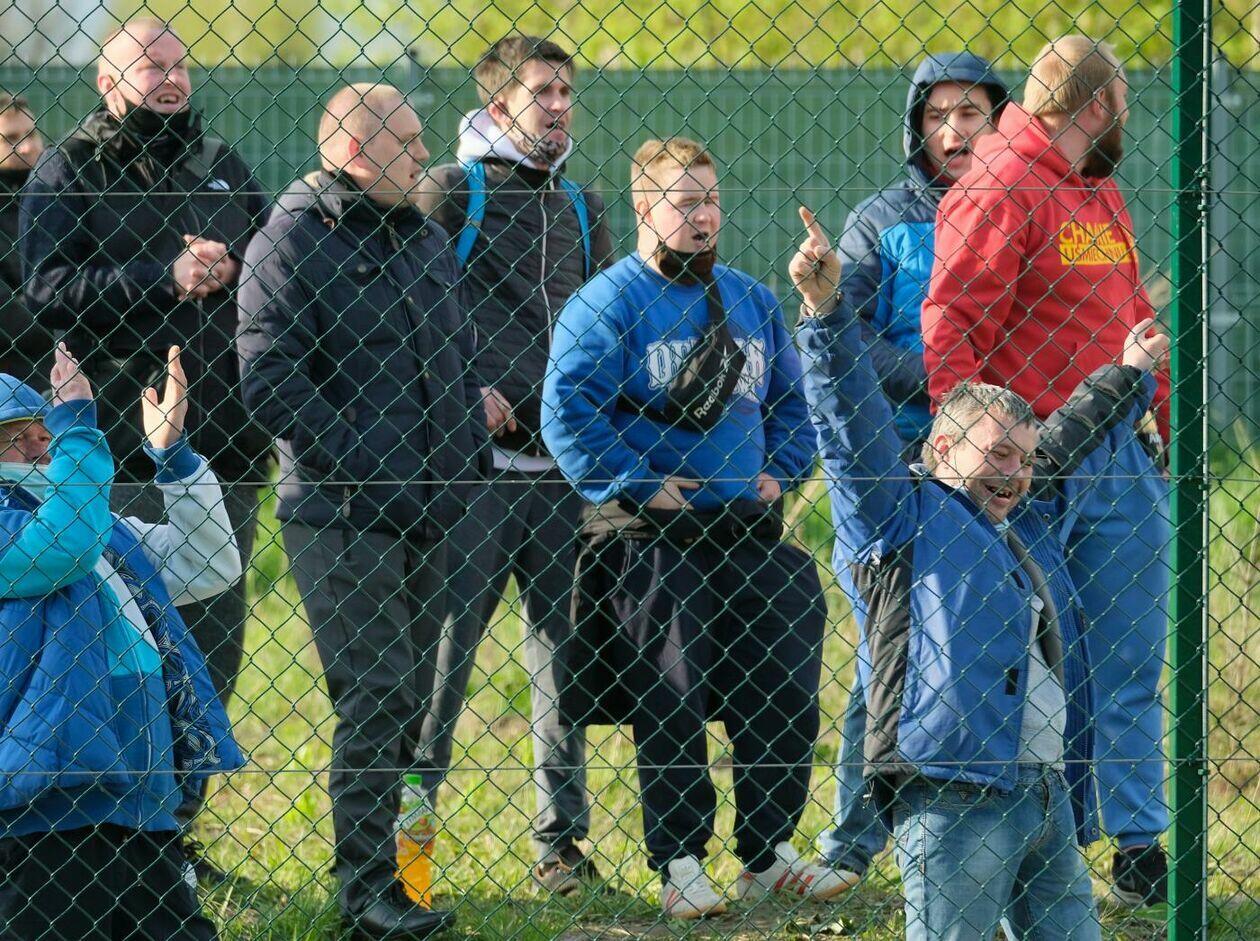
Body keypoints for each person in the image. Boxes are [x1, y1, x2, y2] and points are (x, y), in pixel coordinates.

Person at [792, 206, 1171, 939]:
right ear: (941, 448)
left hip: (1044, 790)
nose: (1016, 473)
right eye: (997, 454)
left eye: (1022, 459)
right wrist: (827, 311)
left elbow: (1070, 432)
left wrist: (1128, 372)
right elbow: (848, 424)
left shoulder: (1022, 515)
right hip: (953, 794)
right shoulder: (897, 518)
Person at [542, 137, 847, 919]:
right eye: (685, 202)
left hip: (746, 531)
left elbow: (794, 402)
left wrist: (782, 468)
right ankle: (680, 862)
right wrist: (641, 482)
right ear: (644, 207)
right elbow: (566, 412)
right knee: (672, 695)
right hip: (652, 540)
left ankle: (768, 854)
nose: (704, 216)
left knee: (784, 677)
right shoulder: (607, 303)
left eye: (711, 200)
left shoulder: (750, 299)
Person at [19, 17, 271, 878]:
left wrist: (230, 269)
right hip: (121, 452)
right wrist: (161, 277)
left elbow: (270, 264)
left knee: (214, 644)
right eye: (149, 66)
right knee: (127, 652)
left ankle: (178, 835)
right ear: (106, 82)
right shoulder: (69, 170)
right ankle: (116, 838)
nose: (170, 79)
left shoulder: (219, 163)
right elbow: (46, 290)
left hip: (221, 444)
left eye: (178, 65)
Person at [921, 35, 1171, 903]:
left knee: (1130, 654)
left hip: (1120, 450)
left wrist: (1162, 415)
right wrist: (970, 453)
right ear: (1098, 105)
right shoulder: (1001, 184)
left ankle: (1138, 844)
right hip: (1032, 462)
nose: (1126, 122)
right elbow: (953, 322)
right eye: (1124, 106)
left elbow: (1134, 314)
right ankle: (1025, 845)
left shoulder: (1097, 188)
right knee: (1023, 662)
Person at [237, 83, 488, 939]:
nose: (424, 156)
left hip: (431, 509)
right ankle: (364, 896)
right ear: (352, 150)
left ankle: (394, 883)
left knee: (408, 698)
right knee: (376, 694)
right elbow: (269, 379)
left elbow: (456, 359)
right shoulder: (289, 240)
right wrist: (371, 465)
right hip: (342, 512)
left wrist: (464, 461)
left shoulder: (421, 237)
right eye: (407, 143)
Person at [413, 34, 615, 895]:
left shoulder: (582, 205)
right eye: (543, 92)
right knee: (442, 666)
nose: (560, 106)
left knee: (563, 664)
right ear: (498, 104)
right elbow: (411, 310)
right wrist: (466, 389)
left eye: (567, 91)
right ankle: (405, 854)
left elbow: (603, 323)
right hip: (474, 476)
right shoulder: (450, 190)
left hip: (561, 474)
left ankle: (560, 849)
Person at [819, 51, 1007, 882]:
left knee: (999, 646)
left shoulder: (1021, 209)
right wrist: (945, 387)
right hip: (901, 459)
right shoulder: (882, 220)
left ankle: (997, 838)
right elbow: (845, 333)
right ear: (915, 126)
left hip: (1000, 469)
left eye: (971, 112)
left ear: (999, 120)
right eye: (938, 114)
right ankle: (852, 841)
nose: (954, 129)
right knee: (886, 649)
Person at [0, 344, 243, 941]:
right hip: (51, 794)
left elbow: (208, 563)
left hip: (138, 774)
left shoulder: (100, 525)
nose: (41, 448)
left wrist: (172, 458)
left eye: (44, 433)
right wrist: (79, 427)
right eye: (16, 438)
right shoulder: (33, 526)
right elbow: (64, 547)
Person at [0, 92, 50, 389]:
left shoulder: (59, 194)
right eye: (10, 139)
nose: (28, 147)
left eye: (31, 134)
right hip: (14, 373)